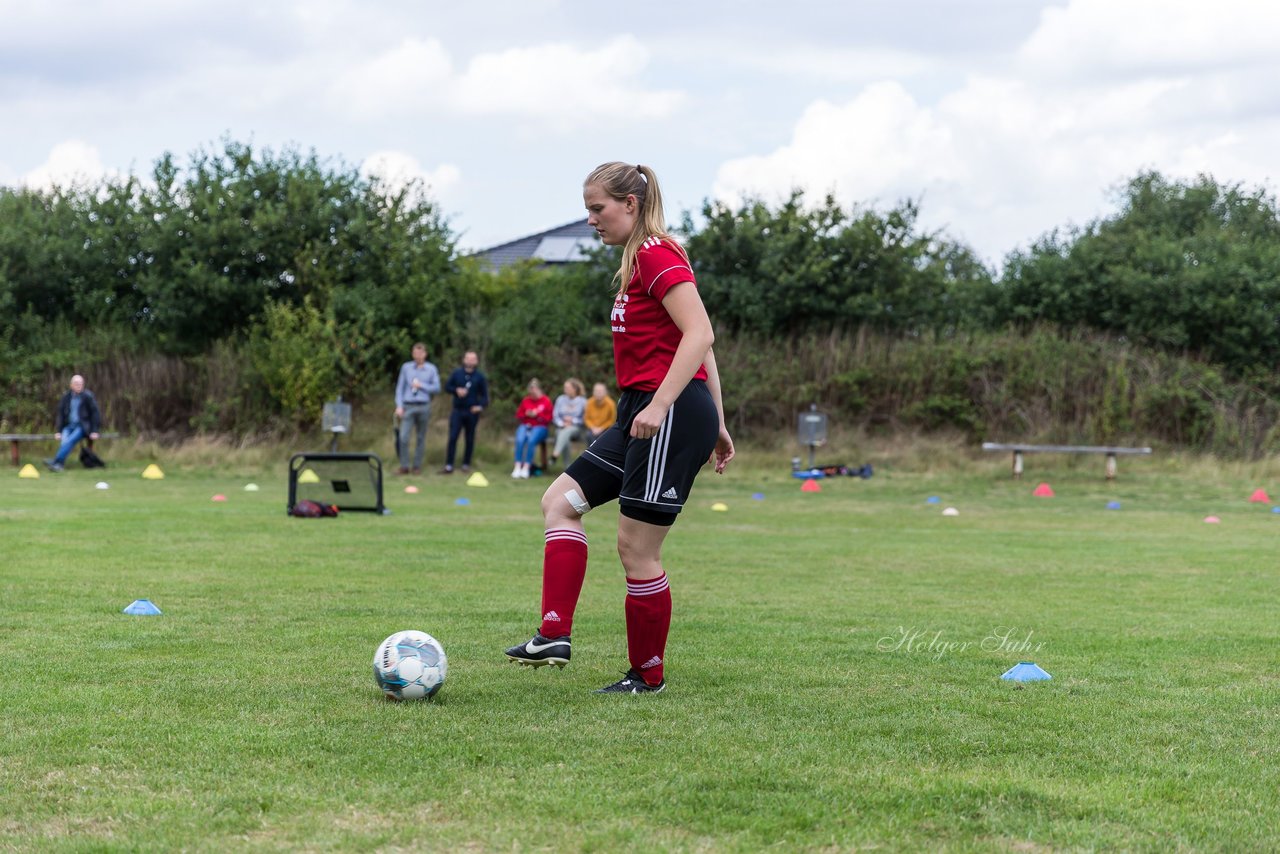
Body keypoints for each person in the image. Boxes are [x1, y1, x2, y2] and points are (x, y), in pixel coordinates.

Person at [504, 162, 735, 693]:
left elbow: (700, 333)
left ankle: (646, 676)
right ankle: (554, 633)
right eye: (587, 209)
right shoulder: (637, 261)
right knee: (560, 501)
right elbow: (698, 345)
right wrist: (717, 422)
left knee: (637, 548)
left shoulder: (655, 253)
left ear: (630, 204)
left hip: (665, 412)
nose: (591, 220)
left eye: (597, 208)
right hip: (646, 408)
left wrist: (666, 406)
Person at [394, 342, 440, 474]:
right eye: (415, 352)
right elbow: (400, 388)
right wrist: (399, 406)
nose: (417, 355)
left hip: (424, 405)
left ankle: (417, 466)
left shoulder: (431, 369)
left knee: (421, 437)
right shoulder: (406, 368)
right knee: (403, 437)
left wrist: (422, 386)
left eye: (420, 353)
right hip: (408, 406)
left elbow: (437, 388)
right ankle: (404, 465)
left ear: (425, 354)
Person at [441, 351, 489, 474]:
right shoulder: (457, 373)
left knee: (469, 438)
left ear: (476, 361)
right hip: (457, 410)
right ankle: (449, 465)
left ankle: (466, 464)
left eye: (473, 359)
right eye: (468, 358)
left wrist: (480, 407)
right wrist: (456, 390)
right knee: (452, 437)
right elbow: (447, 387)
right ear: (464, 359)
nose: (470, 361)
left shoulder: (480, 377)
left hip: (472, 412)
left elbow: (485, 397)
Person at [45, 374, 103, 472]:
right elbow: (61, 415)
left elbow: (95, 414)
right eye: (76, 384)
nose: (79, 385)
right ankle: (59, 465)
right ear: (71, 385)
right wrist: (59, 431)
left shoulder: (88, 397)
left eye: (81, 384)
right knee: (65, 440)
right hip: (68, 426)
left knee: (70, 440)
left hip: (82, 427)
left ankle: (56, 461)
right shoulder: (66, 397)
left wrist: (94, 431)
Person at [512, 379, 553, 479]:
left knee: (531, 440)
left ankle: (526, 467)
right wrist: (526, 414)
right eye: (530, 392)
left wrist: (537, 415)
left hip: (540, 427)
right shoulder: (526, 400)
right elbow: (519, 415)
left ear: (539, 390)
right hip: (526, 425)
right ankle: (517, 466)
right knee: (520, 439)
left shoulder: (546, 401)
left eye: (534, 391)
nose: (532, 394)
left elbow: (549, 418)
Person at [549, 378, 587, 468]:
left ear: (575, 389)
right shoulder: (560, 399)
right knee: (562, 434)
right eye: (564, 388)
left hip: (577, 429)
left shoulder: (583, 401)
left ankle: (555, 454)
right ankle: (567, 467)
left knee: (565, 432)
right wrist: (562, 423)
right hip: (561, 427)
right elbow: (555, 416)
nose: (565, 390)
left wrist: (572, 421)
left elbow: (585, 419)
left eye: (567, 388)